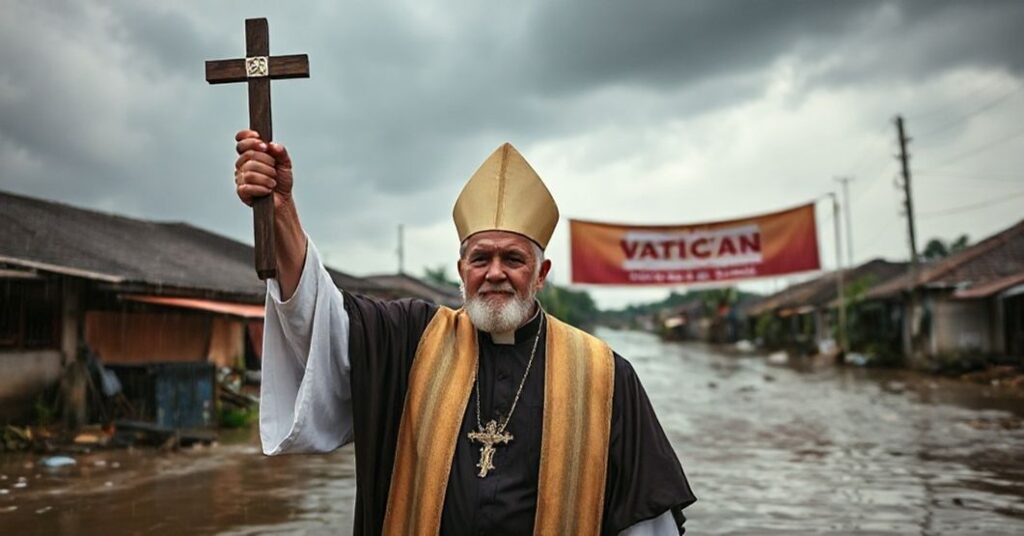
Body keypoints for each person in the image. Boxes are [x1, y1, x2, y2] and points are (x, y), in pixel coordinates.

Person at [233, 131, 696, 535]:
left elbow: (644, 520)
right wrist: (282, 214)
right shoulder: (413, 338)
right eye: (481, 258)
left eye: (513, 259)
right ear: (461, 269)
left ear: (541, 274)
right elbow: (323, 318)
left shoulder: (606, 374)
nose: (495, 273)